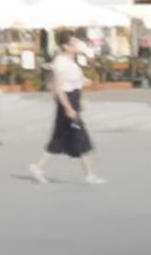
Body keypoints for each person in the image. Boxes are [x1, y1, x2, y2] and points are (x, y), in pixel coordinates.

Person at [29, 36, 104, 184]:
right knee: (80, 136)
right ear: (66, 46)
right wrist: (68, 108)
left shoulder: (72, 61)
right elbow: (59, 89)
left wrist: (84, 81)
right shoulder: (61, 62)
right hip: (67, 102)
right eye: (74, 43)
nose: (78, 45)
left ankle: (38, 167)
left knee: (60, 138)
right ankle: (89, 174)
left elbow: (77, 79)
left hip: (74, 99)